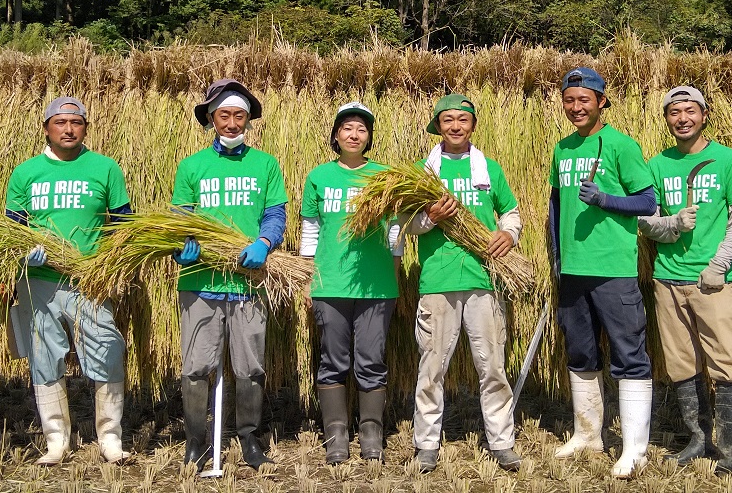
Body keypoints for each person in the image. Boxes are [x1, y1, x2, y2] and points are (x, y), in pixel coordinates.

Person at [639, 86, 732, 489]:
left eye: (690, 111)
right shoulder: (656, 165)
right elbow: (645, 221)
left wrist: (719, 264)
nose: (682, 118)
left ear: (704, 115)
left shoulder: (727, 160)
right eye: (675, 112)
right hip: (668, 280)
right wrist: (671, 225)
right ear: (667, 118)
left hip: (713, 283)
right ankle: (697, 438)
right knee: (681, 363)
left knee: (728, 364)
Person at [6, 97, 132, 465]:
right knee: (45, 360)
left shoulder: (105, 169)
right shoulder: (25, 172)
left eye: (76, 122)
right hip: (39, 281)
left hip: (89, 281)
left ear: (85, 128)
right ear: (46, 128)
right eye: (60, 122)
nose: (68, 129)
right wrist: (23, 253)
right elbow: (11, 230)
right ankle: (56, 441)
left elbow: (124, 226)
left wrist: (108, 266)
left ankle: (110, 437)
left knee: (108, 353)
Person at [171, 78, 288, 471]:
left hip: (249, 282)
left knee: (250, 366)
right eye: (224, 115)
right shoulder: (191, 166)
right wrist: (180, 246)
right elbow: (179, 220)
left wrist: (265, 243)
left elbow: (275, 214)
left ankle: (250, 438)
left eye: (240, 115)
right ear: (210, 119)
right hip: (200, 282)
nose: (233, 123)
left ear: (249, 120)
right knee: (196, 367)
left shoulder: (265, 164)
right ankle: (195, 441)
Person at [548, 67, 658, 478]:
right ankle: (588, 434)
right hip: (573, 271)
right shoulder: (562, 148)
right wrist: (559, 256)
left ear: (601, 102)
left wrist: (606, 199)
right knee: (580, 352)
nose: (576, 107)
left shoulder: (620, 146)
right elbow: (556, 204)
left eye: (584, 100)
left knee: (629, 355)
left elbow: (648, 202)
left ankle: (634, 449)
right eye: (569, 100)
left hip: (613, 269)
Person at [406, 94, 523, 474]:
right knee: (432, 368)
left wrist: (508, 234)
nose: (455, 126)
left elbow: (510, 212)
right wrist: (430, 218)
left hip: (483, 280)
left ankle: (502, 442)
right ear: (437, 126)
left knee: (492, 366)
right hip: (437, 280)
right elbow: (407, 227)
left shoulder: (489, 168)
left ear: (473, 125)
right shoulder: (423, 173)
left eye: (463, 120)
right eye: (447, 120)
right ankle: (426, 444)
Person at [299, 101, 403, 464]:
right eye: (347, 128)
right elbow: (310, 229)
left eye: (361, 129)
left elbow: (394, 229)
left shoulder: (384, 176)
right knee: (333, 360)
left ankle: (371, 432)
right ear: (335, 136)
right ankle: (336, 435)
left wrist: (393, 269)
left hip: (376, 287)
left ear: (369, 137)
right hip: (329, 284)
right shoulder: (319, 177)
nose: (354, 134)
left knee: (372, 359)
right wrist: (307, 274)